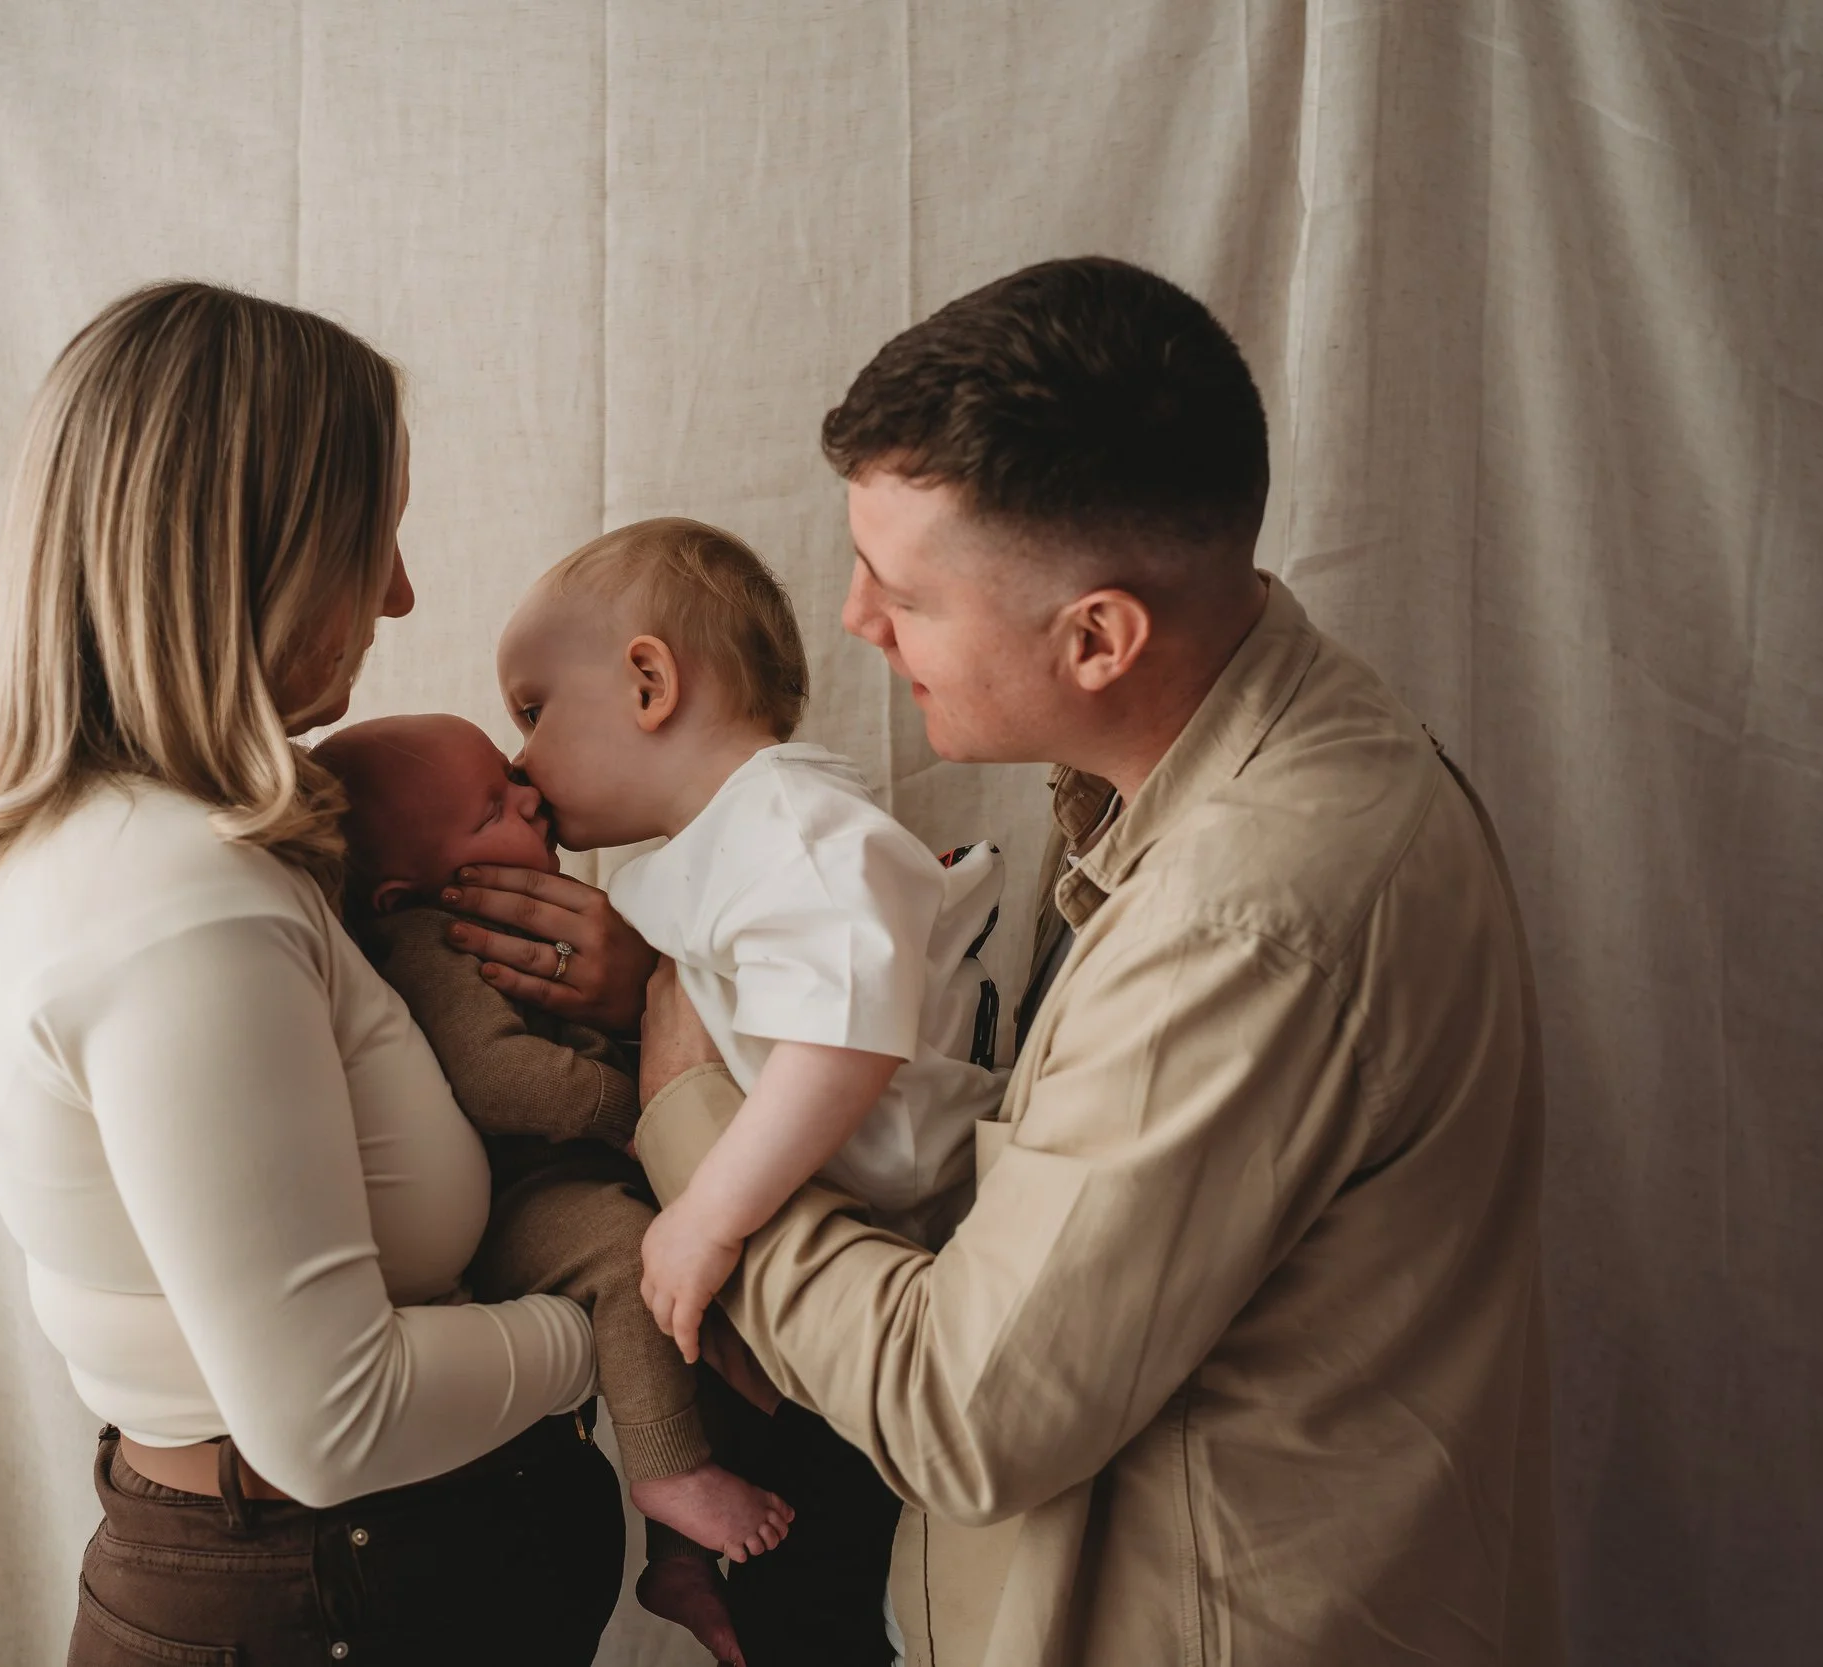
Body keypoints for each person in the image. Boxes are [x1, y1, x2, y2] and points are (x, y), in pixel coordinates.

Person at [454, 257, 1564, 1665]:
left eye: (904, 589)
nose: (855, 619)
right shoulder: (1215, 773)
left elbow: (962, 1409)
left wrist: (688, 1096)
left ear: (1097, 636)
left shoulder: (1244, 914)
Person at [0, 282, 626, 1666]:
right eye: (374, 538)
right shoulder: (176, 898)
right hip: (321, 1591)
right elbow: (334, 1420)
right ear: (251, 551)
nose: (400, 592)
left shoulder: (148, 843)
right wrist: (619, 1314)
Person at [479, 515, 1010, 1665]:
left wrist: (708, 1214)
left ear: (648, 681)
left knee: (831, 1595)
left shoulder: (790, 825)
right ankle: (695, 1558)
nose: (516, 762)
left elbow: (841, 1039)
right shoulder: (707, 851)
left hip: (886, 1263)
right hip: (804, 1293)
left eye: (532, 710)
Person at [312, 712, 790, 1665]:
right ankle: (666, 1477)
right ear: (411, 888)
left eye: (513, 776)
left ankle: (680, 1560)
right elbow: (500, 1079)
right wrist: (640, 1107)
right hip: (526, 1200)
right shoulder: (431, 942)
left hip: (582, 1173)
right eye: (494, 807)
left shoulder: (528, 917)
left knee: (700, 1303)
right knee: (625, 1254)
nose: (532, 798)